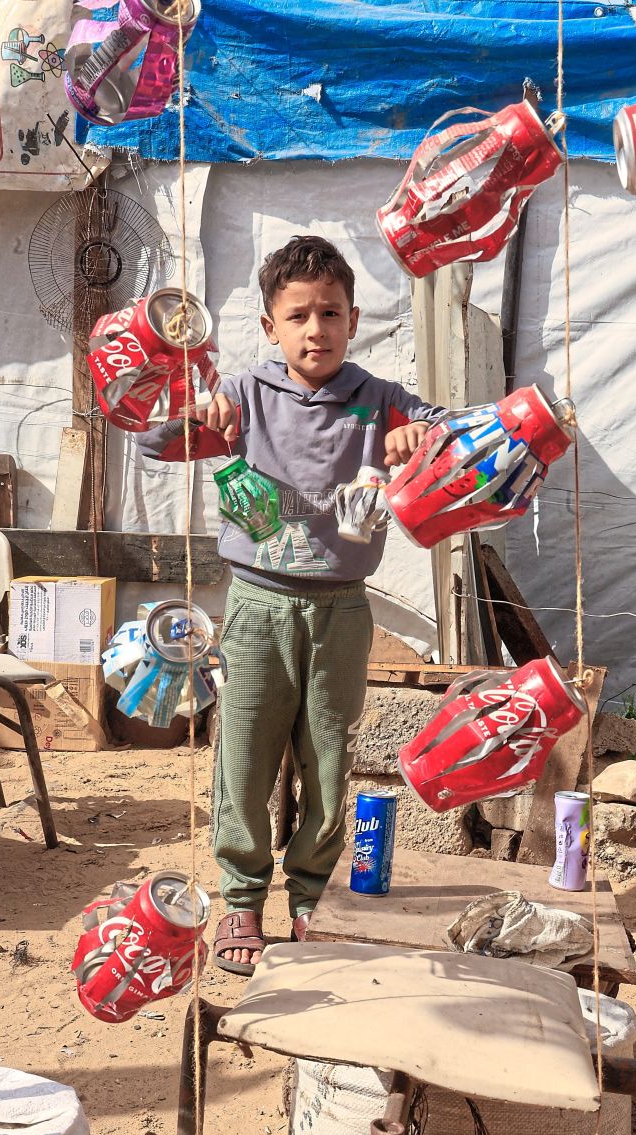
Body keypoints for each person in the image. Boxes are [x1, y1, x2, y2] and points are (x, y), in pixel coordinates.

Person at [140, 235, 442, 974]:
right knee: (243, 755)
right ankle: (242, 899)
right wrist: (198, 411)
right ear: (271, 327)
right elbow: (152, 439)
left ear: (354, 319)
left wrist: (418, 434)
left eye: (331, 313)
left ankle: (311, 897)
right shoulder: (243, 393)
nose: (317, 329)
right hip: (256, 606)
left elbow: (454, 431)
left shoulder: (380, 398)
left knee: (329, 759)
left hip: (342, 609)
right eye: (299, 315)